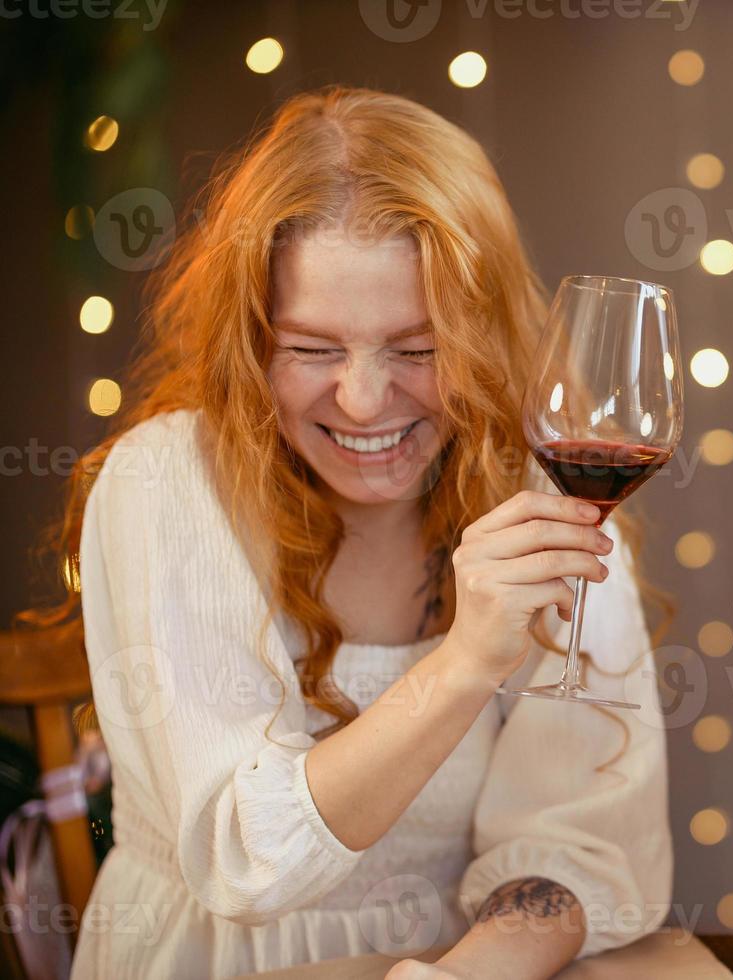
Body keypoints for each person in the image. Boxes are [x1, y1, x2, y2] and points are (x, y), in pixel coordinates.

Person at [52, 86, 671, 978]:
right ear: (250, 341)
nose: (365, 400)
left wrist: (460, 975)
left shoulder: (538, 483)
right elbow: (246, 856)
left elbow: (579, 840)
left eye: (418, 349)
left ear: (484, 334)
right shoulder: (166, 480)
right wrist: (466, 663)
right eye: (310, 349)